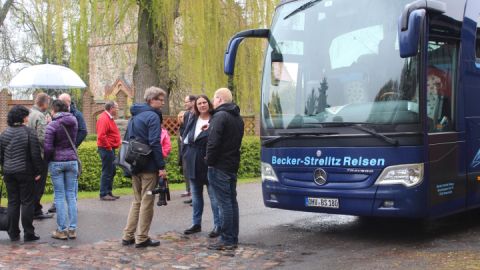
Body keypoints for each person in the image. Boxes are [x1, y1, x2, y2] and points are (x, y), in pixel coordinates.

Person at [122, 86, 167, 248]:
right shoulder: (153, 117)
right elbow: (155, 142)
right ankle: (142, 238)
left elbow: (127, 140)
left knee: (137, 201)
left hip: (134, 164)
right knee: (147, 201)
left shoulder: (135, 116)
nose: (162, 103)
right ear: (151, 100)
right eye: (160, 100)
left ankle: (128, 236)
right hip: (148, 166)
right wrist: (161, 166)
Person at [206, 88, 244, 250]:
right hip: (231, 164)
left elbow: (213, 143)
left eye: (214, 99)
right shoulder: (238, 118)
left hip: (219, 166)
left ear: (220, 99)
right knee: (231, 203)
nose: (212, 102)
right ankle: (232, 237)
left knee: (224, 204)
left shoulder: (220, 116)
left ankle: (227, 239)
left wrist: (209, 161)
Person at [0, 105, 43, 242]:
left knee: (13, 202)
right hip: (25, 172)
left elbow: (1, 157)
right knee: (27, 202)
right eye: (26, 115)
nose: (27, 118)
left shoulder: (4, 134)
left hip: (9, 173)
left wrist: (5, 169)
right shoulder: (30, 132)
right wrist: (38, 171)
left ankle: (13, 233)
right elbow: (35, 155)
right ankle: (29, 233)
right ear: (23, 117)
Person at [182, 95, 221, 238]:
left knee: (214, 197)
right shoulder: (192, 119)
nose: (202, 105)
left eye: (204, 102)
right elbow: (186, 138)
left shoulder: (215, 118)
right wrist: (185, 155)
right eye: (199, 103)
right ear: (196, 106)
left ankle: (218, 225)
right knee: (196, 196)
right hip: (193, 161)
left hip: (209, 162)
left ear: (209, 104)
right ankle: (196, 223)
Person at [44, 100, 79, 240]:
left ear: (55, 110)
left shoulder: (52, 125)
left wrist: (47, 161)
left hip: (57, 162)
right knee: (71, 195)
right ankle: (72, 229)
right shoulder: (74, 121)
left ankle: (61, 230)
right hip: (72, 161)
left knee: (59, 196)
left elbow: (47, 147)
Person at [48, 93, 87, 213]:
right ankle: (58, 204)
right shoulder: (58, 116)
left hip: (66, 153)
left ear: (66, 102)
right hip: (67, 155)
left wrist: (73, 145)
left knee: (70, 186)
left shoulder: (77, 115)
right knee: (64, 187)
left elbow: (83, 131)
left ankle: (71, 204)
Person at [27, 93, 54, 219]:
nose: (48, 105)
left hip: (29, 155)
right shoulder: (40, 116)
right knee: (39, 185)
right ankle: (35, 211)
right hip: (39, 156)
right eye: (48, 102)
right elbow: (42, 138)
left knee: (32, 185)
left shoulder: (29, 113)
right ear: (43, 103)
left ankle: (34, 209)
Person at [96, 101, 122, 201]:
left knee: (112, 170)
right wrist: (109, 147)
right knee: (107, 170)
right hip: (106, 148)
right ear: (111, 108)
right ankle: (103, 193)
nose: (118, 109)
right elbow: (102, 136)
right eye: (117, 107)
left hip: (109, 148)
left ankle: (108, 192)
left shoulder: (108, 118)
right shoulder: (104, 118)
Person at [180, 95, 196, 200]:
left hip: (194, 146)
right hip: (185, 146)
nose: (185, 104)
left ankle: (194, 196)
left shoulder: (198, 114)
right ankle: (189, 191)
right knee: (186, 169)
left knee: (193, 170)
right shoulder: (186, 114)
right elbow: (183, 128)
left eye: (187, 102)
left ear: (193, 102)